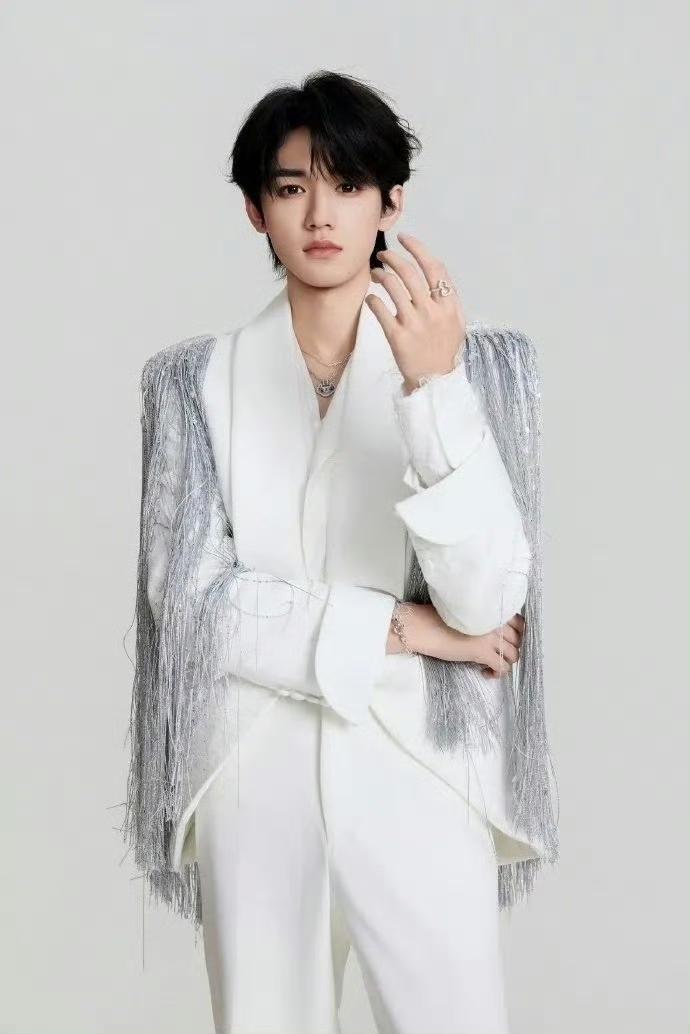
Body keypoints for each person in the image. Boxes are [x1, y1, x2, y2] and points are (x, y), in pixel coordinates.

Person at [128, 69, 553, 1034]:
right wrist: (409, 630)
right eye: (291, 188)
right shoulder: (194, 383)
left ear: (390, 203)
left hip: (423, 760)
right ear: (256, 211)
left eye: (349, 184)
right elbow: (194, 609)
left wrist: (433, 391)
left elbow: (487, 601)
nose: (320, 214)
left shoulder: (482, 369)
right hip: (251, 765)